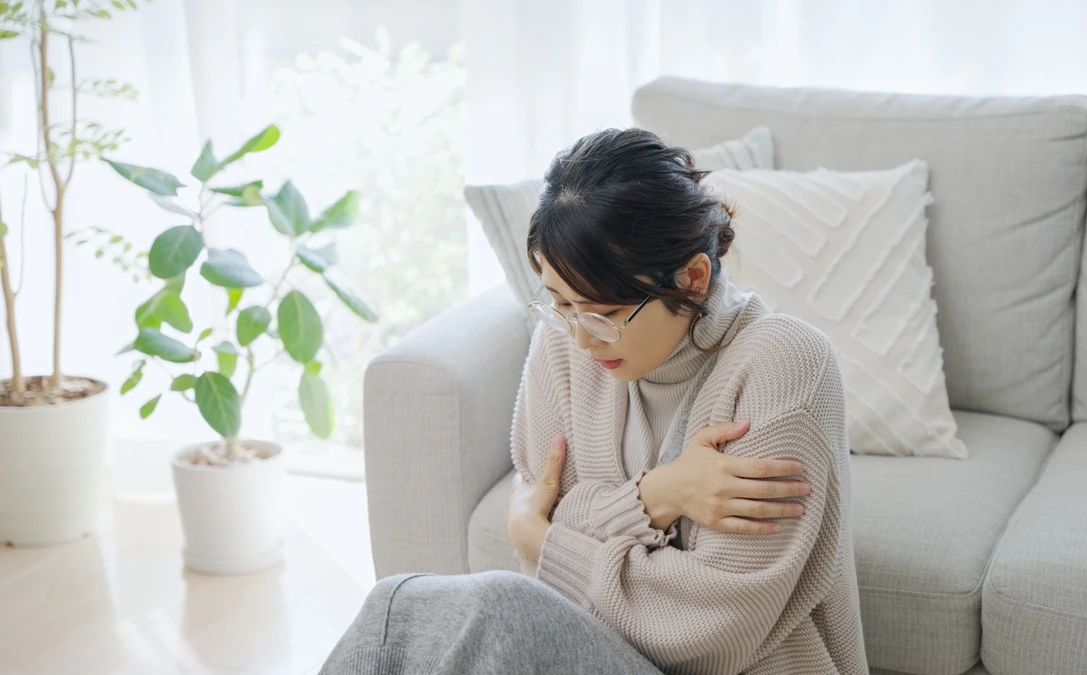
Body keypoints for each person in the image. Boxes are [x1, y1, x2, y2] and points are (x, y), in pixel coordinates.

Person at [319, 129, 868, 675]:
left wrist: (544, 539)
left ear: (693, 279)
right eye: (560, 303)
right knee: (396, 606)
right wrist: (657, 495)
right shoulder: (562, 342)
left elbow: (716, 630)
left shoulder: (784, 362)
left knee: (495, 610)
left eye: (604, 314)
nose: (582, 338)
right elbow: (548, 571)